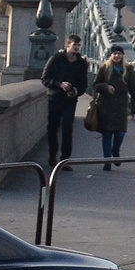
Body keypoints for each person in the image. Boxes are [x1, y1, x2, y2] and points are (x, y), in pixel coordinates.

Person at [40, 34, 90, 169]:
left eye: (79, 45)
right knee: (52, 128)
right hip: (55, 98)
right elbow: (45, 79)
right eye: (75, 45)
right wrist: (59, 84)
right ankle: (52, 156)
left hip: (70, 100)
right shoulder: (55, 59)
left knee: (68, 129)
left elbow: (83, 85)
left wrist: (76, 90)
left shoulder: (81, 63)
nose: (77, 48)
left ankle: (65, 160)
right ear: (67, 45)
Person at [93, 44, 135, 169]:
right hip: (105, 106)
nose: (117, 56)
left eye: (119, 53)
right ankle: (107, 160)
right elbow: (95, 85)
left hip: (121, 107)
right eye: (114, 54)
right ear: (111, 55)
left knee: (120, 134)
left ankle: (115, 151)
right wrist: (106, 87)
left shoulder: (129, 69)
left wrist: (134, 109)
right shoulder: (104, 68)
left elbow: (134, 90)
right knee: (106, 134)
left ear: (123, 55)